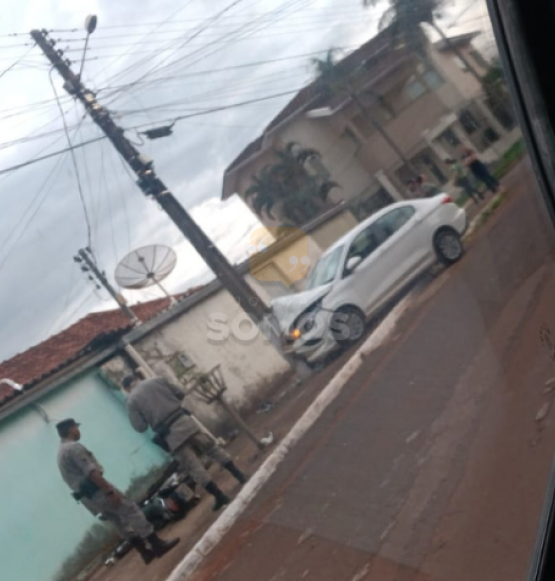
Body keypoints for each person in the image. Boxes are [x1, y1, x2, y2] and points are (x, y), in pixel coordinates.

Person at [56, 418, 180, 565]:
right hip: (98, 490)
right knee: (131, 511)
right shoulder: (73, 448)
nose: (78, 430)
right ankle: (157, 545)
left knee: (118, 522)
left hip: (88, 498)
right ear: (71, 429)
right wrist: (109, 491)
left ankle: (145, 552)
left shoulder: (60, 453)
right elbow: (91, 472)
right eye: (76, 427)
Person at [122, 374, 247, 511]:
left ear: (127, 388)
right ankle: (240, 476)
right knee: (213, 449)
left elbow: (140, 427)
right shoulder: (157, 379)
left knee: (193, 466)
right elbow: (180, 393)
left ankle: (220, 496)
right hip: (185, 421)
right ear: (137, 379)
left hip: (171, 435)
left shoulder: (132, 400)